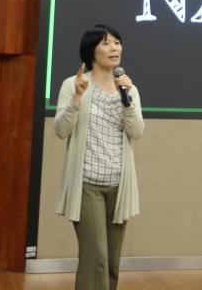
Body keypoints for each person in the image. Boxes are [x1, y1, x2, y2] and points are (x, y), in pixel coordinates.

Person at [54, 24, 144, 290]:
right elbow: (61, 130)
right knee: (96, 260)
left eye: (117, 42)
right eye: (106, 43)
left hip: (119, 186)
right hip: (87, 184)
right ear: (91, 51)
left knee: (111, 263)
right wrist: (77, 98)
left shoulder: (129, 89)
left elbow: (136, 131)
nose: (114, 48)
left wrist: (127, 103)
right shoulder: (74, 84)